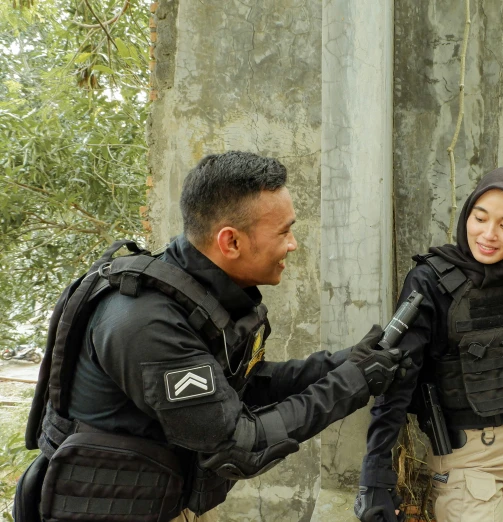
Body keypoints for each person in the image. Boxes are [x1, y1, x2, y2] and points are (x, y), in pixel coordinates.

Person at [16, 151, 408, 522]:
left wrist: (344, 363)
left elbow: (238, 390)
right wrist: (351, 383)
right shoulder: (147, 325)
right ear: (230, 242)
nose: (293, 244)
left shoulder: (200, 297)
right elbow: (239, 443)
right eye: (284, 232)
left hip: (164, 503)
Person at [354, 167, 503, 522]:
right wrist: (376, 475)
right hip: (468, 462)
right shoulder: (429, 282)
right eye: (479, 218)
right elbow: (396, 383)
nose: (488, 234)